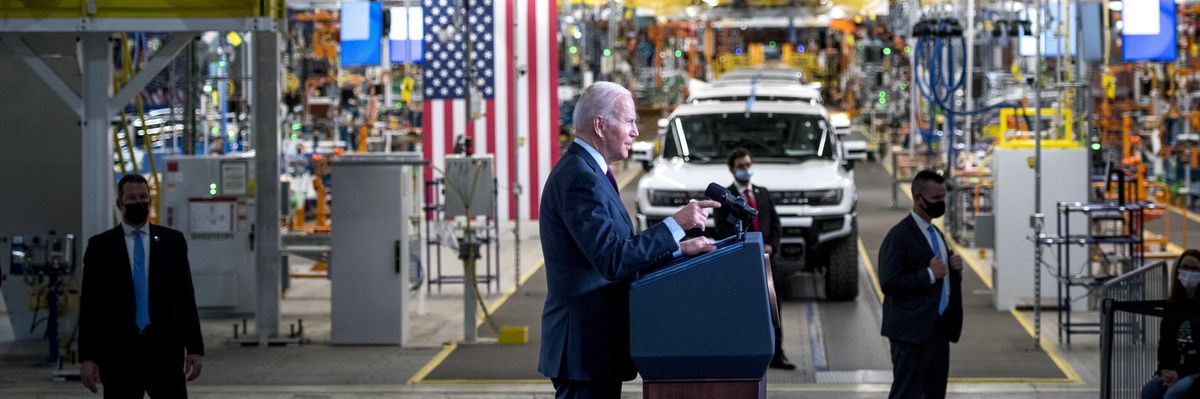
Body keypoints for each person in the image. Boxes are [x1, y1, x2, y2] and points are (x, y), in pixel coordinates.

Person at [538, 81, 720, 399]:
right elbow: (613, 259)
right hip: (584, 346)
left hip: (594, 348)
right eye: (630, 121)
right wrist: (675, 224)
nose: (636, 131)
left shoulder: (591, 173)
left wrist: (678, 249)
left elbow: (619, 249)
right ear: (600, 124)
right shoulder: (580, 178)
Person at [78, 174, 205, 397]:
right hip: (119, 355)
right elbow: (90, 306)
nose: (139, 202)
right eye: (132, 198)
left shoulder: (172, 243)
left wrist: (195, 347)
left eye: (143, 197)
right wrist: (87, 357)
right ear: (119, 203)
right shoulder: (101, 247)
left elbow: (185, 297)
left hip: (165, 352)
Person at [878, 170, 963, 399]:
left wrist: (955, 271)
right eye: (936, 199)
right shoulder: (899, 236)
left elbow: (943, 279)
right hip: (911, 332)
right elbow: (888, 281)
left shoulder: (935, 233)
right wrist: (928, 274)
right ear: (918, 199)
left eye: (943, 198)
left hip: (938, 329)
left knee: (935, 392)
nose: (941, 204)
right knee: (907, 393)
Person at [713, 148, 793, 370]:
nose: (746, 170)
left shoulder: (762, 193)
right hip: (740, 263)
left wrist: (772, 246)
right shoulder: (725, 198)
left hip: (767, 261)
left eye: (748, 165)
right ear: (732, 169)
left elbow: (775, 224)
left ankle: (778, 354)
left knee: (774, 308)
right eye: (741, 166)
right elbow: (721, 230)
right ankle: (745, 354)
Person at [1142, 250, 1200, 399]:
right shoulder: (1172, 304)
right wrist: (1164, 371)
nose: (1189, 273)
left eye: (1195, 269)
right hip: (1175, 370)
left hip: (1195, 370)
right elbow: (1165, 344)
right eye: (1185, 267)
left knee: (1173, 394)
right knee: (1150, 391)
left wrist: (1179, 373)